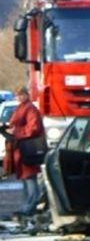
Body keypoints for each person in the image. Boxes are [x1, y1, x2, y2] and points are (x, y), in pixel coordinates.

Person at [2, 87, 45, 216]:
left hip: (27, 149)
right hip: (20, 148)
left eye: (22, 95)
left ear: (27, 95)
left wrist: (15, 131)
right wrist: (7, 129)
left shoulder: (30, 109)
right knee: (25, 177)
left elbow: (33, 128)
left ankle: (32, 205)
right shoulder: (21, 107)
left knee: (29, 176)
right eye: (17, 95)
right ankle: (29, 204)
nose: (19, 97)